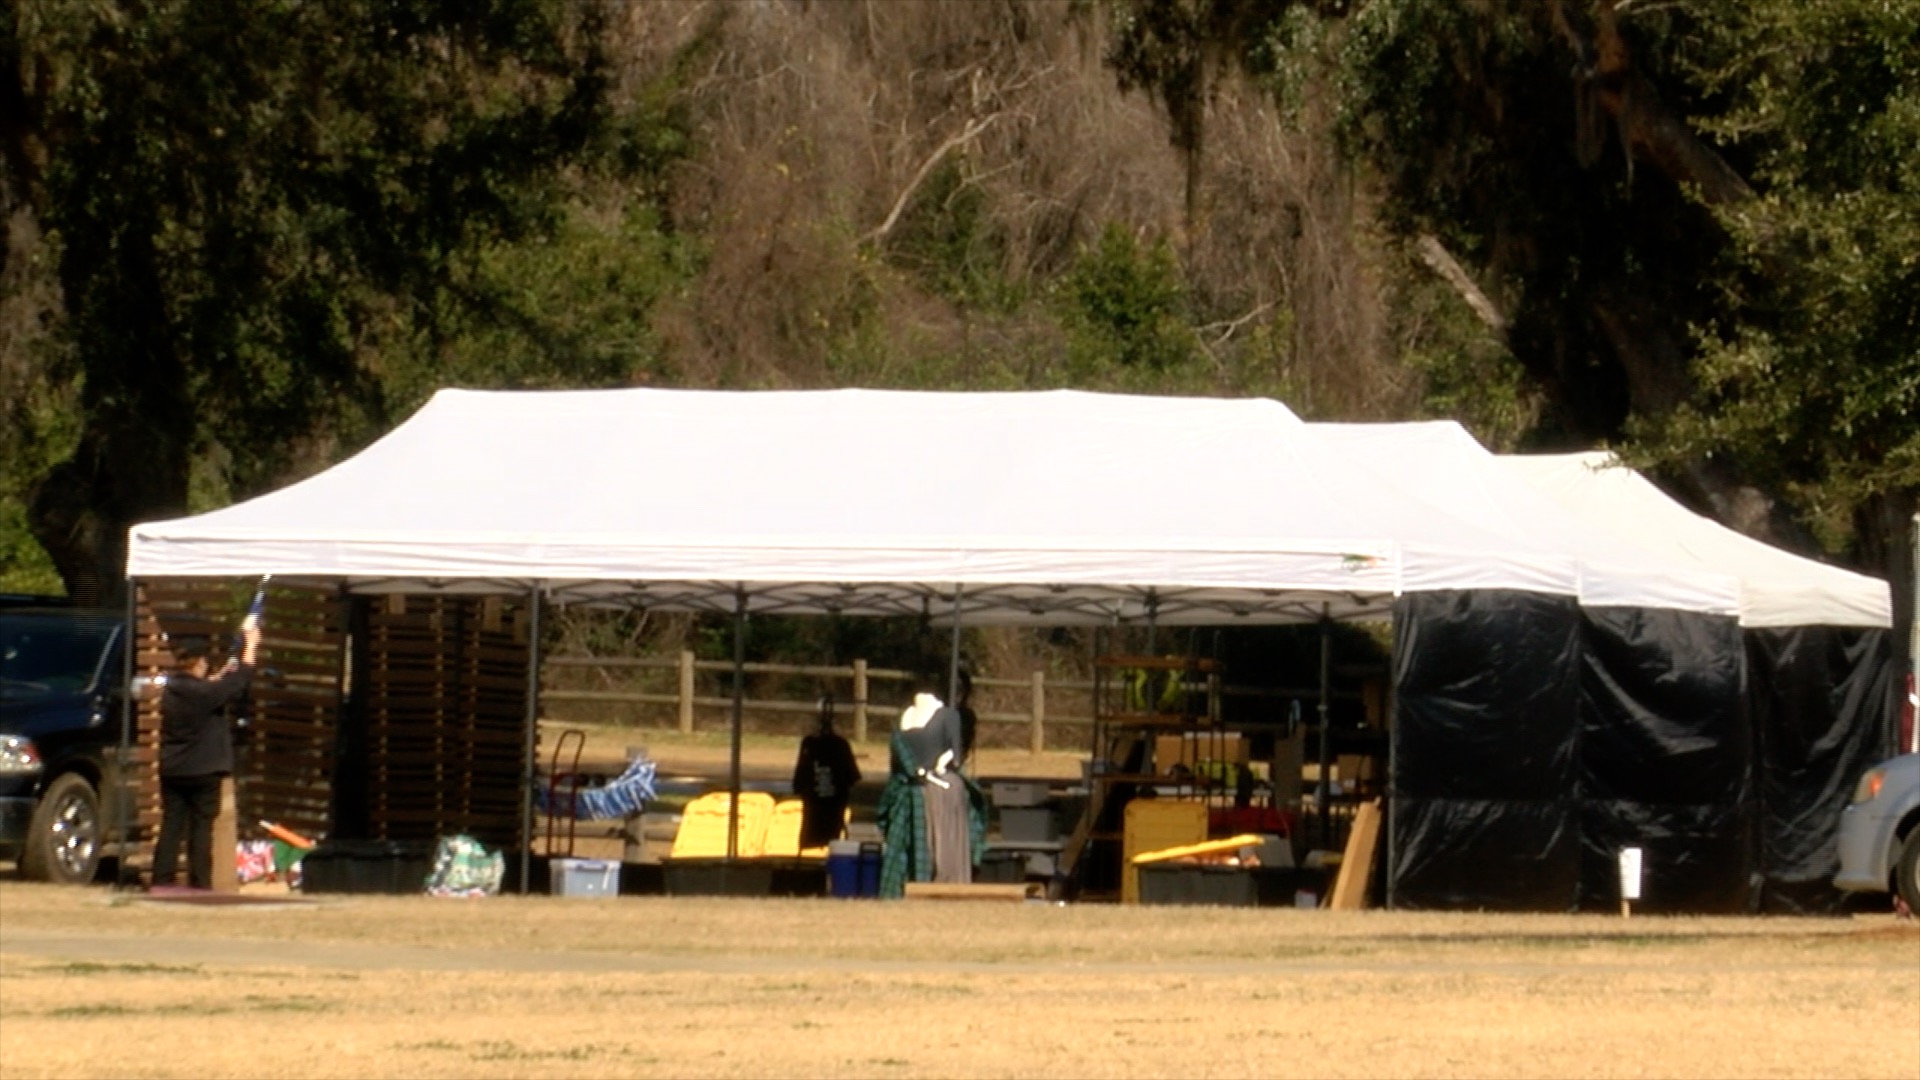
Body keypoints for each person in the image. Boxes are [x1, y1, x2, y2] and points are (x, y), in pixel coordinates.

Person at [151, 622, 259, 889]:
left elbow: (212, 689)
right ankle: (200, 883)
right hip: (203, 770)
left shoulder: (173, 690)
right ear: (200, 662)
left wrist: (217, 678)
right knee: (201, 830)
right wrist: (252, 647)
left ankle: (161, 881)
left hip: (173, 770)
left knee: (171, 827)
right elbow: (237, 683)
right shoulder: (205, 693)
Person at [874, 674, 986, 897]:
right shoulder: (903, 718)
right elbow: (896, 763)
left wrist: (937, 768)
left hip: (942, 787)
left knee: (941, 848)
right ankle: (903, 887)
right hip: (908, 789)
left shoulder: (948, 715)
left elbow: (954, 755)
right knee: (903, 848)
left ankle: (942, 885)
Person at [791, 694, 861, 849]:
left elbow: (799, 780)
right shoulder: (832, 745)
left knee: (817, 830)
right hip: (830, 809)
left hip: (819, 808)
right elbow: (852, 778)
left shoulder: (835, 745)